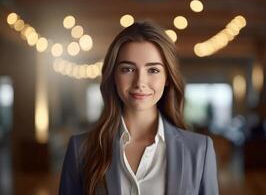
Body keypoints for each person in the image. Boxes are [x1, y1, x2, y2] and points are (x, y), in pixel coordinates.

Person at [59, 21, 219, 195]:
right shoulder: (81, 149)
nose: (140, 83)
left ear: (168, 78)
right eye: (128, 69)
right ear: (113, 76)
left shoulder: (199, 149)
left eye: (153, 70)